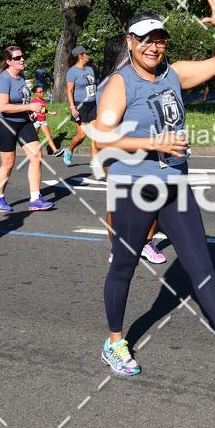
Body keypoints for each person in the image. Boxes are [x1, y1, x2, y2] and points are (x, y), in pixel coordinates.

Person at [95, 0, 215, 379]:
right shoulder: (119, 83)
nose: (153, 46)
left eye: (159, 38)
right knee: (124, 265)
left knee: (201, 264)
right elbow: (104, 136)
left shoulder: (174, 72)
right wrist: (152, 142)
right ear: (131, 42)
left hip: (175, 181)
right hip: (134, 186)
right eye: (145, 39)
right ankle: (114, 343)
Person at [96, 34, 167, 266]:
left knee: (154, 199)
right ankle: (117, 247)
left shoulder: (147, 78)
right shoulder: (112, 84)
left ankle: (145, 242)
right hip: (117, 152)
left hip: (150, 150)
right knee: (118, 204)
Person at [0, 45, 53, 213]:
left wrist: (29, 111)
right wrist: (28, 107)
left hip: (23, 122)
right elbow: (3, 106)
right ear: (9, 62)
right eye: (17, 58)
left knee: (36, 156)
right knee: (8, 163)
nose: (22, 59)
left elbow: (21, 102)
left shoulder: (21, 75)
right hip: (6, 124)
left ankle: (35, 199)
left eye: (22, 56)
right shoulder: (5, 78)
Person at [64, 45, 99, 167]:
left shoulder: (90, 69)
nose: (88, 55)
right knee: (82, 136)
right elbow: (69, 91)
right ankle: (69, 150)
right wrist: (72, 107)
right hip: (80, 105)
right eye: (86, 53)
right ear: (80, 56)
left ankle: (94, 160)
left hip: (92, 104)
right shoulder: (72, 71)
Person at [30, 85, 65, 157]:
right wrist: (31, 115)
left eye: (42, 91)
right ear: (35, 93)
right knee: (33, 137)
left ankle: (55, 151)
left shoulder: (43, 101)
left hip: (43, 121)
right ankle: (31, 151)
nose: (42, 93)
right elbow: (29, 110)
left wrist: (51, 113)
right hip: (36, 121)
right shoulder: (33, 101)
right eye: (40, 92)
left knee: (48, 136)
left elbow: (43, 110)